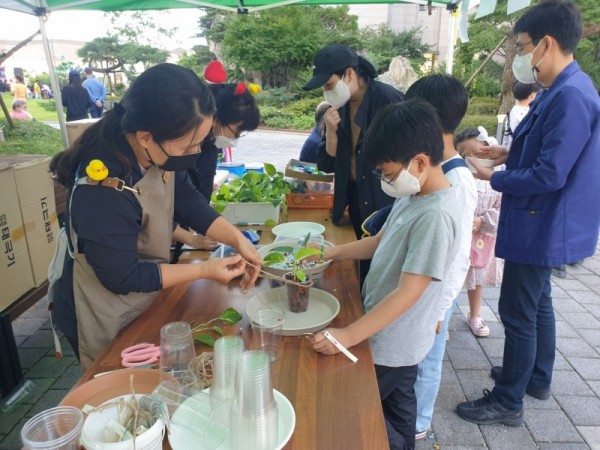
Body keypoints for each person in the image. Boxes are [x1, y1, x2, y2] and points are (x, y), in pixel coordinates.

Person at [49, 63, 262, 369]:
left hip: (143, 291)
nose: (195, 151)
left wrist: (237, 239)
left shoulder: (155, 150)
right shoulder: (102, 186)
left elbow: (187, 200)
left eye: (200, 141)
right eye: (188, 145)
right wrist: (206, 270)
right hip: (104, 304)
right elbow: (122, 276)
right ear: (146, 136)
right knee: (121, 383)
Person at [456, 0, 600, 426]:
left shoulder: (570, 95)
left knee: (518, 311)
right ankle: (534, 377)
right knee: (538, 305)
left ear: (547, 44)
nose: (520, 56)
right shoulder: (562, 89)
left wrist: (491, 179)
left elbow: (551, 173)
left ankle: (507, 401)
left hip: (544, 222)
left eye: (522, 47)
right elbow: (544, 149)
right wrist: (506, 153)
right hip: (543, 220)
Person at [311, 98, 463, 450]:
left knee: (358, 407)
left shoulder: (435, 216)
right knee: (399, 406)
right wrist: (332, 252)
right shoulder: (414, 194)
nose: (384, 180)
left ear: (420, 162)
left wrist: (348, 335)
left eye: (388, 173)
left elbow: (409, 292)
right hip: (397, 338)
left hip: (392, 342)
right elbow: (380, 241)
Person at [403, 74, 477, 440]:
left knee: (428, 358)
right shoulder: (433, 163)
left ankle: (419, 423)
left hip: (437, 294)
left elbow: (460, 255)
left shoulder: (459, 180)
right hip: (424, 285)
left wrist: (441, 307)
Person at [303, 44, 403, 240]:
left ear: (349, 74)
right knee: (358, 261)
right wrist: (331, 133)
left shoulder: (388, 100)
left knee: (379, 259)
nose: (326, 91)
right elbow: (325, 165)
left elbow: (409, 156)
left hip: (384, 199)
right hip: (353, 198)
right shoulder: (339, 105)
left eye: (329, 84)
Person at [174, 82, 260, 254]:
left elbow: (198, 200)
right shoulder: (176, 148)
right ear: (216, 120)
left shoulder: (210, 147)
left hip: (181, 231)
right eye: (237, 131)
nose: (236, 138)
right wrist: (190, 238)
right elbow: (157, 210)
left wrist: (229, 235)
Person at [455, 128, 503, 337]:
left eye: (477, 153)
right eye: (465, 155)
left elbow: (504, 207)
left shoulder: (499, 176)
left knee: (477, 277)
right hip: (459, 236)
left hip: (483, 237)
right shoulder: (458, 176)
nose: (472, 159)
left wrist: (483, 220)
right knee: (452, 276)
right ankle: (444, 315)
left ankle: (475, 314)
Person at [502, 81, 541, 149]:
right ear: (533, 95)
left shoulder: (514, 110)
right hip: (519, 155)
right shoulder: (527, 114)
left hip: (509, 152)